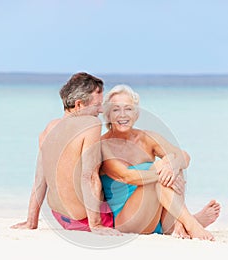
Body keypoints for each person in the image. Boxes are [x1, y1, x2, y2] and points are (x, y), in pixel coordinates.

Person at [100, 84, 220, 240]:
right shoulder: (103, 146)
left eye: (128, 109)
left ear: (136, 114)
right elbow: (126, 176)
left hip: (158, 217)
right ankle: (191, 223)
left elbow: (184, 156)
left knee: (173, 163)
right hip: (129, 220)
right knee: (162, 168)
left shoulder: (146, 138)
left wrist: (173, 165)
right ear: (108, 115)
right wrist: (163, 169)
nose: (123, 114)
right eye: (116, 109)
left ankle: (178, 224)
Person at [11, 72, 121, 236]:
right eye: (97, 105)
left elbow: (40, 180)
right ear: (79, 105)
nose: (100, 110)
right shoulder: (91, 124)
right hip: (87, 219)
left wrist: (31, 221)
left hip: (62, 218)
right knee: (138, 175)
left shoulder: (49, 128)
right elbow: (89, 177)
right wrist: (96, 225)